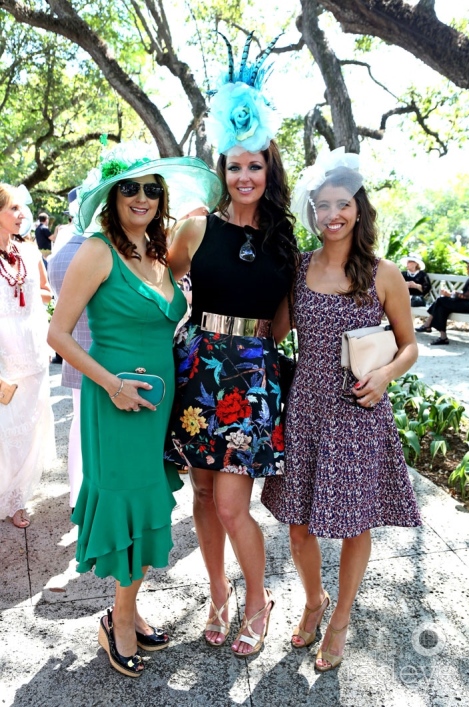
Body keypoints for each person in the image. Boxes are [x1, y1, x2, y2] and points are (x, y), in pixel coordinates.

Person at [47, 140, 222, 678]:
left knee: (148, 508)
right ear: (112, 195)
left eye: (151, 189)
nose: (142, 197)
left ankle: (129, 610)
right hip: (116, 403)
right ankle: (118, 622)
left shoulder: (159, 253)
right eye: (130, 188)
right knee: (126, 504)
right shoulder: (97, 249)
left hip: (158, 405)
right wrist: (113, 385)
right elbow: (59, 333)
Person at [164, 32, 300, 657]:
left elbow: (288, 315)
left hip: (251, 377)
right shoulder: (196, 227)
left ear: (268, 170)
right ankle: (217, 595)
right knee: (200, 494)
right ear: (221, 170)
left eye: (256, 164)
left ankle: (257, 599)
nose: (245, 175)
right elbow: (155, 282)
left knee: (229, 504)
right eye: (235, 164)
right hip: (197, 367)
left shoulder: (283, 238)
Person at [261, 148, 421, 672]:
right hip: (306, 409)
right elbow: (275, 331)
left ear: (358, 208)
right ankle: (314, 600)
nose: (333, 214)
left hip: (359, 410)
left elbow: (409, 346)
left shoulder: (383, 273)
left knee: (355, 525)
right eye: (322, 204)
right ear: (311, 211)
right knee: (299, 524)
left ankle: (340, 618)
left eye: (342, 203)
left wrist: (384, 376)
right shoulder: (299, 268)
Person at [0, 184, 55, 529]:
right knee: (5, 431)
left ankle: (16, 498)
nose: (22, 215)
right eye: (15, 209)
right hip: (4, 358)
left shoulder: (30, 252)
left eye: (22, 209)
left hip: (33, 353)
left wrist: (35, 296)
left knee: (30, 429)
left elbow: (48, 292)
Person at [47, 226, 92, 509]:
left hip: (77, 350)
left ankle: (77, 495)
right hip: (101, 354)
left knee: (79, 426)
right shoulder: (99, 251)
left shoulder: (62, 252)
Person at [415, 257, 469, 345]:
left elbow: (466, 297)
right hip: (465, 304)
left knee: (441, 300)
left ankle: (428, 324)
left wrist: (450, 294)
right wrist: (454, 293)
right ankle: (443, 337)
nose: (467, 268)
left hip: (468, 306)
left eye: (468, 266)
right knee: (441, 307)